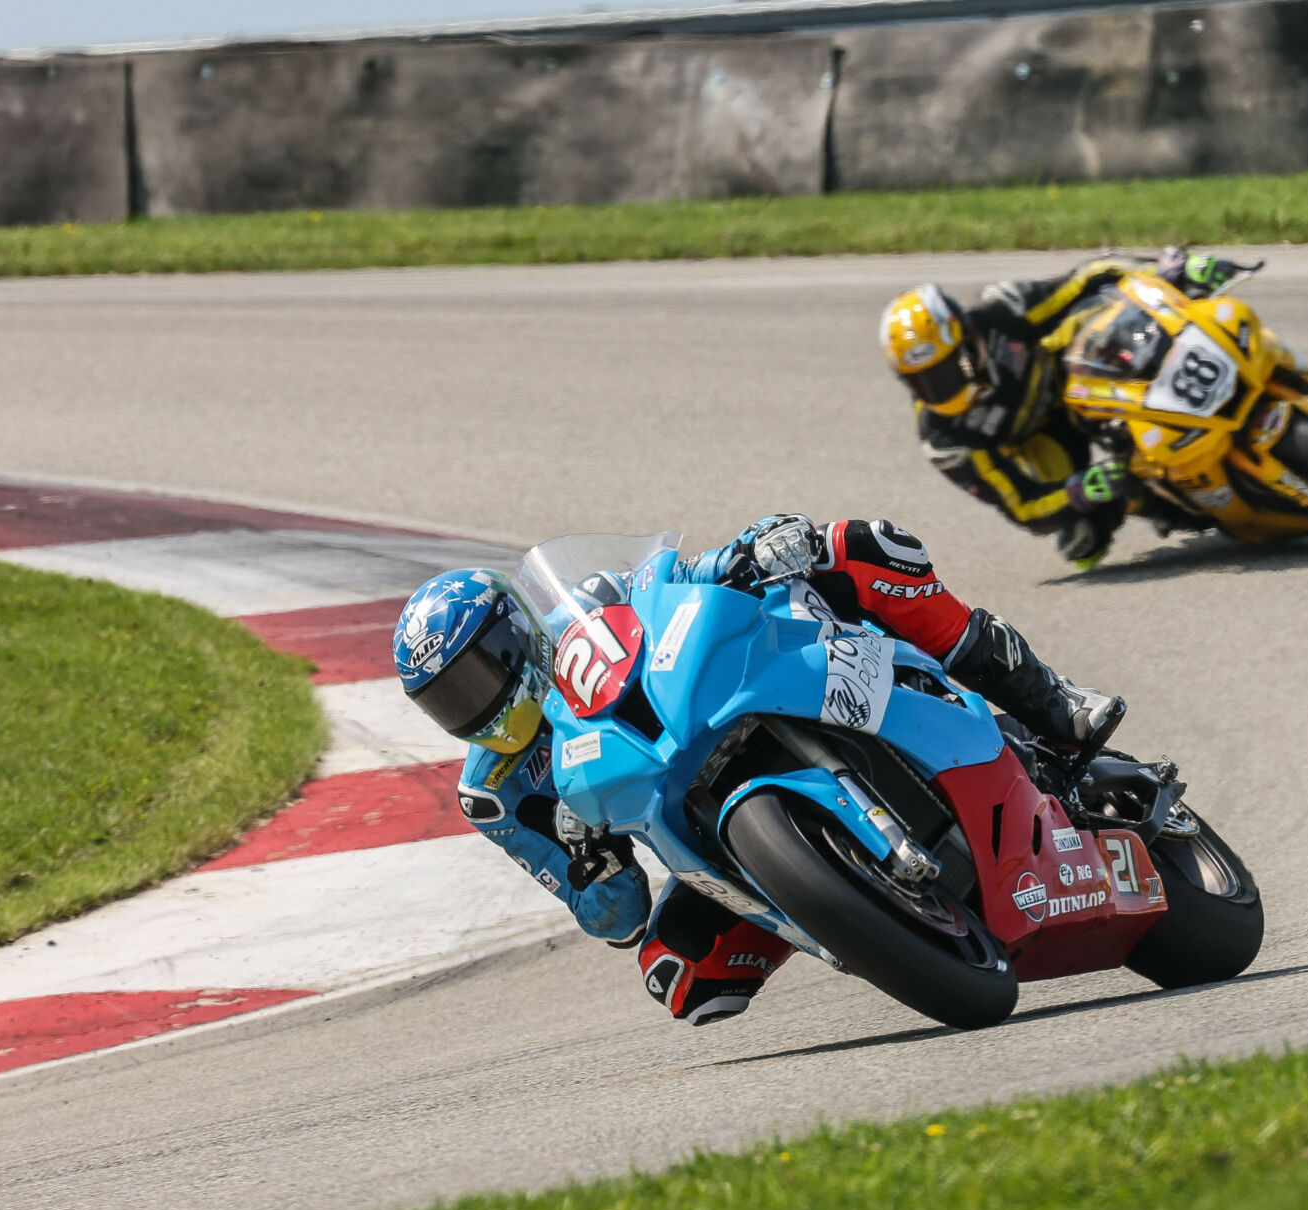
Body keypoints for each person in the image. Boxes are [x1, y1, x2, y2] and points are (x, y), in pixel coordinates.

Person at [393, 515, 1123, 1027]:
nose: (478, 706)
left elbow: (670, 582)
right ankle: (848, 905)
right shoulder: (493, 793)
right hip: (691, 830)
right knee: (676, 975)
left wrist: (749, 551)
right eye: (450, 701)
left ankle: (1052, 704)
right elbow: (614, 919)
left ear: (516, 634)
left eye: (479, 674)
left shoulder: (584, 610)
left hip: (722, 700)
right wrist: (587, 862)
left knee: (858, 550)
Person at [880, 249, 1246, 570]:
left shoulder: (1002, 312)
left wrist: (1167, 270)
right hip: (1037, 440)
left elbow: (1085, 279)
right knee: (1083, 535)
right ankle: (1170, 502)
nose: (939, 389)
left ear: (966, 339)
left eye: (945, 371)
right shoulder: (945, 440)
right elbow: (1022, 505)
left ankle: (1207, 360)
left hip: (1075, 375)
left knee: (1105, 308)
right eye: (922, 381)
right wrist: (1082, 491)